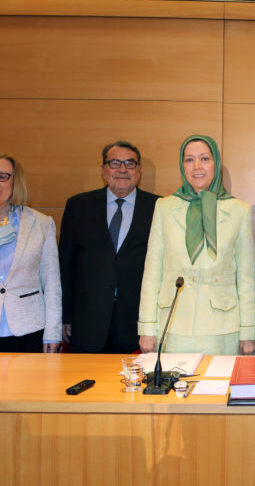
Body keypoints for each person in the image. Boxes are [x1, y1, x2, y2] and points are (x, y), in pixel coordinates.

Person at [138, 135, 255, 355]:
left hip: (222, 326)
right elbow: (152, 272)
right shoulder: (164, 207)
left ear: (216, 164)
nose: (197, 166)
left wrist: (248, 333)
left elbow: (246, 278)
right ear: (182, 166)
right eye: (189, 160)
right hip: (172, 324)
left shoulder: (239, 210)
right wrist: (146, 328)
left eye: (204, 158)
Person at [59, 140, 159, 353]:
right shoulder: (78, 206)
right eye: (115, 163)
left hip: (137, 322)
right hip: (87, 320)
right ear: (103, 170)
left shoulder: (159, 208)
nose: (122, 169)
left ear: (139, 171)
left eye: (130, 163)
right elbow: (65, 266)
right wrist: (64, 316)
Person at [0, 155, 61, 352]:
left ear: (15, 181)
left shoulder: (41, 223)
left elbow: (52, 284)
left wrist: (53, 333)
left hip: (27, 329)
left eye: (2, 176)